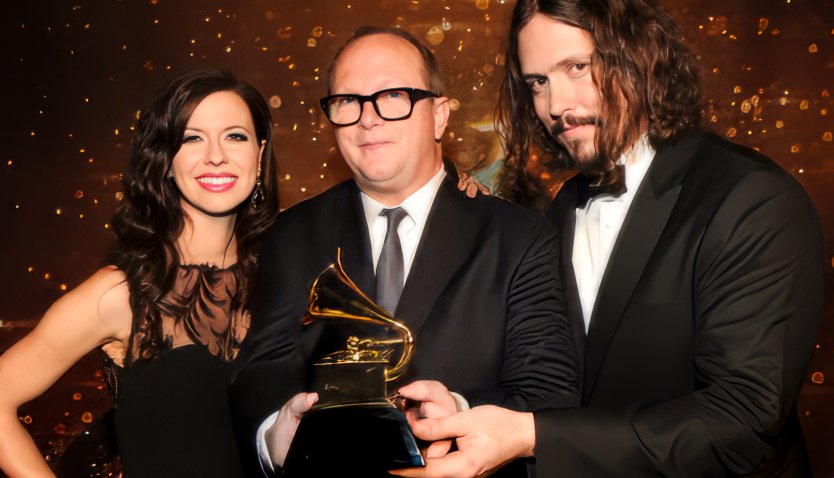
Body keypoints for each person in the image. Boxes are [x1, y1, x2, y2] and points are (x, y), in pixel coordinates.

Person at [392, 0, 824, 476]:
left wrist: (531, 436)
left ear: (641, 55)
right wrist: (461, 409)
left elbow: (741, 421)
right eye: (538, 83)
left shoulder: (751, 198)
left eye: (577, 67)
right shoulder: (560, 205)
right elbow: (564, 381)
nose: (555, 106)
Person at [229, 25, 579, 477]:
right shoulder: (291, 233)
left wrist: (456, 413)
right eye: (347, 102)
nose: (367, 118)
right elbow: (261, 370)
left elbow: (548, 394)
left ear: (439, 115)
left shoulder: (522, 237)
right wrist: (275, 435)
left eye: (392, 96)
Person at [0, 69, 280, 477]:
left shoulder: (288, 273)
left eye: (235, 136)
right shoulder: (121, 292)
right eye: (191, 137)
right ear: (165, 159)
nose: (216, 155)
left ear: (260, 152)